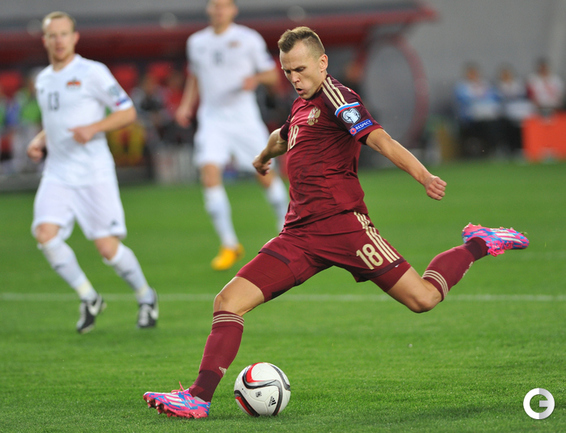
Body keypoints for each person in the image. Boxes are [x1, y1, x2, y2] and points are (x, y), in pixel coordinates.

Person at [143, 27, 529, 419]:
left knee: (424, 299)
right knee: (227, 302)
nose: (294, 78)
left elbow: (381, 140)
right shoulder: (301, 104)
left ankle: (479, 242)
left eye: (300, 69)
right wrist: (262, 157)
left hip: (346, 229)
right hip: (299, 235)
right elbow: (283, 135)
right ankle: (197, 398)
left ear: (322, 62)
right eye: (288, 71)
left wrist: (424, 176)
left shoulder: (338, 98)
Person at [27, 11, 158, 333]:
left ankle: (146, 296)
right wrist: (40, 139)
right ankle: (89, 297)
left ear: (75, 38)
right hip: (58, 172)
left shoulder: (92, 72)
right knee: (45, 234)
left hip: (93, 172)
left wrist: (94, 128)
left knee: (107, 249)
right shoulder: (43, 79)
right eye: (53, 35)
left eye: (64, 34)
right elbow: (56, 121)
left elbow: (127, 111)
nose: (59, 40)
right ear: (45, 40)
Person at [175, 0, 288, 271]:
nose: (219, 10)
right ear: (208, 9)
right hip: (212, 119)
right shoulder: (196, 42)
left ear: (233, 10)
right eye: (215, 5)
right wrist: (186, 105)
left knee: (265, 174)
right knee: (209, 173)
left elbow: (273, 75)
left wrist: (256, 80)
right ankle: (229, 244)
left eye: (224, 5)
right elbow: (195, 77)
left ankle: (287, 228)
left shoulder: (248, 38)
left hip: (244, 119)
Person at [454, 62, 503, 157]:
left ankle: (497, 147)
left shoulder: (485, 85)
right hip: (471, 119)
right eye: (471, 73)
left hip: (488, 115)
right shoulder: (462, 87)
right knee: (488, 126)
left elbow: (494, 98)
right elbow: (464, 101)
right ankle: (490, 148)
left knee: (499, 123)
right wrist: (479, 99)